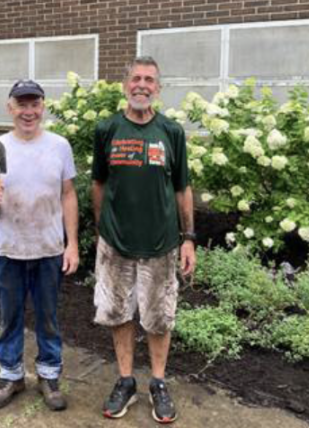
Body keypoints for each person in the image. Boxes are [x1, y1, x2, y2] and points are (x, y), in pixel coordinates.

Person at [91, 56, 195, 424]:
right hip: (116, 244)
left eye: (149, 80)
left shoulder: (171, 132)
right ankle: (125, 380)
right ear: (125, 85)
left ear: (158, 89)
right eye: (136, 78)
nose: (142, 85)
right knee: (118, 313)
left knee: (159, 317)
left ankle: (158, 383)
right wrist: (103, 229)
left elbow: (182, 187)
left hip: (161, 244)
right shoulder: (107, 129)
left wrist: (189, 239)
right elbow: (99, 183)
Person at [0, 79, 79, 411]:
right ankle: (11, 375)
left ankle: (49, 375)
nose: (28, 112)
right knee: (8, 317)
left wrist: (71, 243)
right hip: (8, 248)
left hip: (49, 248)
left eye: (34, 104)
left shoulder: (59, 146)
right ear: (10, 108)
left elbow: (69, 194)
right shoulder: (0, 146)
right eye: (22, 105)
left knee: (48, 317)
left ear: (43, 107)